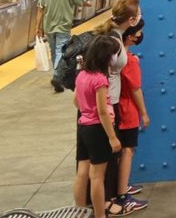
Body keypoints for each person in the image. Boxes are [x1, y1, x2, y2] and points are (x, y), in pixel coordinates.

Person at [91, 0, 140, 209]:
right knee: (108, 156)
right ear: (131, 20)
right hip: (108, 104)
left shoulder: (116, 38)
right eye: (137, 15)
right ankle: (110, 202)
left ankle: (113, 197)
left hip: (111, 101)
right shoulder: (112, 42)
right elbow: (102, 75)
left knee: (112, 155)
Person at [72, 35, 122, 218]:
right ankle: (100, 215)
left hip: (83, 127)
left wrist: (86, 111)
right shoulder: (100, 80)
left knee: (82, 173)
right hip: (98, 130)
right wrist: (112, 137)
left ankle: (78, 212)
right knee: (97, 177)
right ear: (106, 57)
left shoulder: (82, 75)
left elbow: (75, 99)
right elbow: (102, 111)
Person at [36, 0, 92, 92]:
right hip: (63, 26)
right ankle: (57, 76)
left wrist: (37, 27)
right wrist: (88, 3)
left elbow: (40, 9)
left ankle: (57, 74)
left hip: (49, 27)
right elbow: (81, 1)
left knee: (54, 51)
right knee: (61, 51)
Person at [115, 19, 150, 214]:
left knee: (122, 152)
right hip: (128, 110)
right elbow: (135, 89)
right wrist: (144, 113)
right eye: (138, 32)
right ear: (130, 36)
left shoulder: (117, 57)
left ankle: (120, 186)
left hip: (118, 108)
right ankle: (122, 196)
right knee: (128, 151)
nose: (140, 35)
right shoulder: (130, 61)